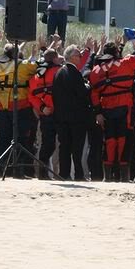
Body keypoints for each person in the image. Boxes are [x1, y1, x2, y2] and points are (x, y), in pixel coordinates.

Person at [89, 26, 135, 182]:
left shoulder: (96, 71)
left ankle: (107, 177)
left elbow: (94, 93)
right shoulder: (125, 63)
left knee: (109, 141)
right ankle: (124, 176)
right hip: (125, 108)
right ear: (117, 52)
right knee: (125, 140)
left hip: (107, 109)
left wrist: (98, 113)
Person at [0, 43, 39, 178]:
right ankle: (18, 171)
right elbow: (39, 66)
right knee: (21, 138)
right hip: (21, 108)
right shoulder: (23, 66)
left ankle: (2, 170)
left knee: (3, 139)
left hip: (3, 110)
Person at [52, 44, 93, 181]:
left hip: (61, 117)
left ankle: (64, 173)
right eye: (78, 55)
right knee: (77, 148)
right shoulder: (74, 72)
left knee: (65, 147)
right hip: (76, 118)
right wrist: (87, 87)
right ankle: (79, 175)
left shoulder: (58, 72)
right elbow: (81, 93)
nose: (80, 58)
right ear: (71, 57)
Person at [28, 48, 62, 178]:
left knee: (47, 144)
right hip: (59, 113)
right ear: (54, 59)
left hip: (45, 114)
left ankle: (42, 173)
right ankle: (62, 172)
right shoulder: (60, 71)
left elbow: (31, 95)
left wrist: (42, 108)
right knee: (64, 143)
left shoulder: (37, 75)